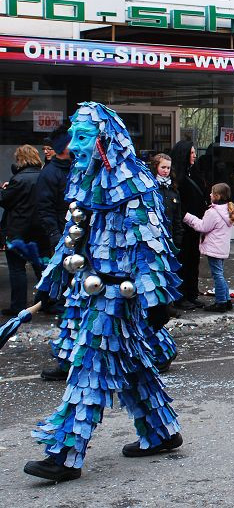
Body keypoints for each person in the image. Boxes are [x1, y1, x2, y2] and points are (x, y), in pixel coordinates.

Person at [25, 102, 182, 482]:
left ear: (104, 139)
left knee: (90, 366)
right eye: (73, 138)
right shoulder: (87, 179)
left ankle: (65, 453)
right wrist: (53, 284)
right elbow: (74, 236)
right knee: (130, 365)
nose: (75, 146)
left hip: (118, 294)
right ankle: (161, 430)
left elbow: (153, 242)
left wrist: (158, 297)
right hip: (94, 289)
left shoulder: (134, 182)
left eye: (83, 137)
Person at [0, 145, 46, 316]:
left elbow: (5, 200)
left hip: (18, 229)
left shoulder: (18, 179)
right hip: (40, 229)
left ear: (20, 159)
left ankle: (17, 305)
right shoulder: (44, 176)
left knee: (17, 268)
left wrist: (5, 189)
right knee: (40, 267)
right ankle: (44, 301)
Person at [184, 183, 234, 313]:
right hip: (222, 248)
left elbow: (202, 227)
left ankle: (220, 303)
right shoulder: (227, 210)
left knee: (217, 275)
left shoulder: (213, 212)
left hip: (214, 248)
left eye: (211, 193)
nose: (209, 195)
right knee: (220, 274)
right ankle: (226, 300)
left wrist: (187, 217)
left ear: (217, 196)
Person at [171, 140, 207, 309]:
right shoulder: (178, 177)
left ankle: (192, 292)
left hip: (195, 225)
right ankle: (181, 295)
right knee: (183, 260)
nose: (194, 156)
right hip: (184, 225)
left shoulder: (194, 173)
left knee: (193, 259)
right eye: (191, 153)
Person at [35, 126, 72, 252]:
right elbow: (45, 208)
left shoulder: (77, 170)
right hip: (62, 234)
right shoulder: (49, 173)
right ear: (63, 148)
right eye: (71, 143)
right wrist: (54, 234)